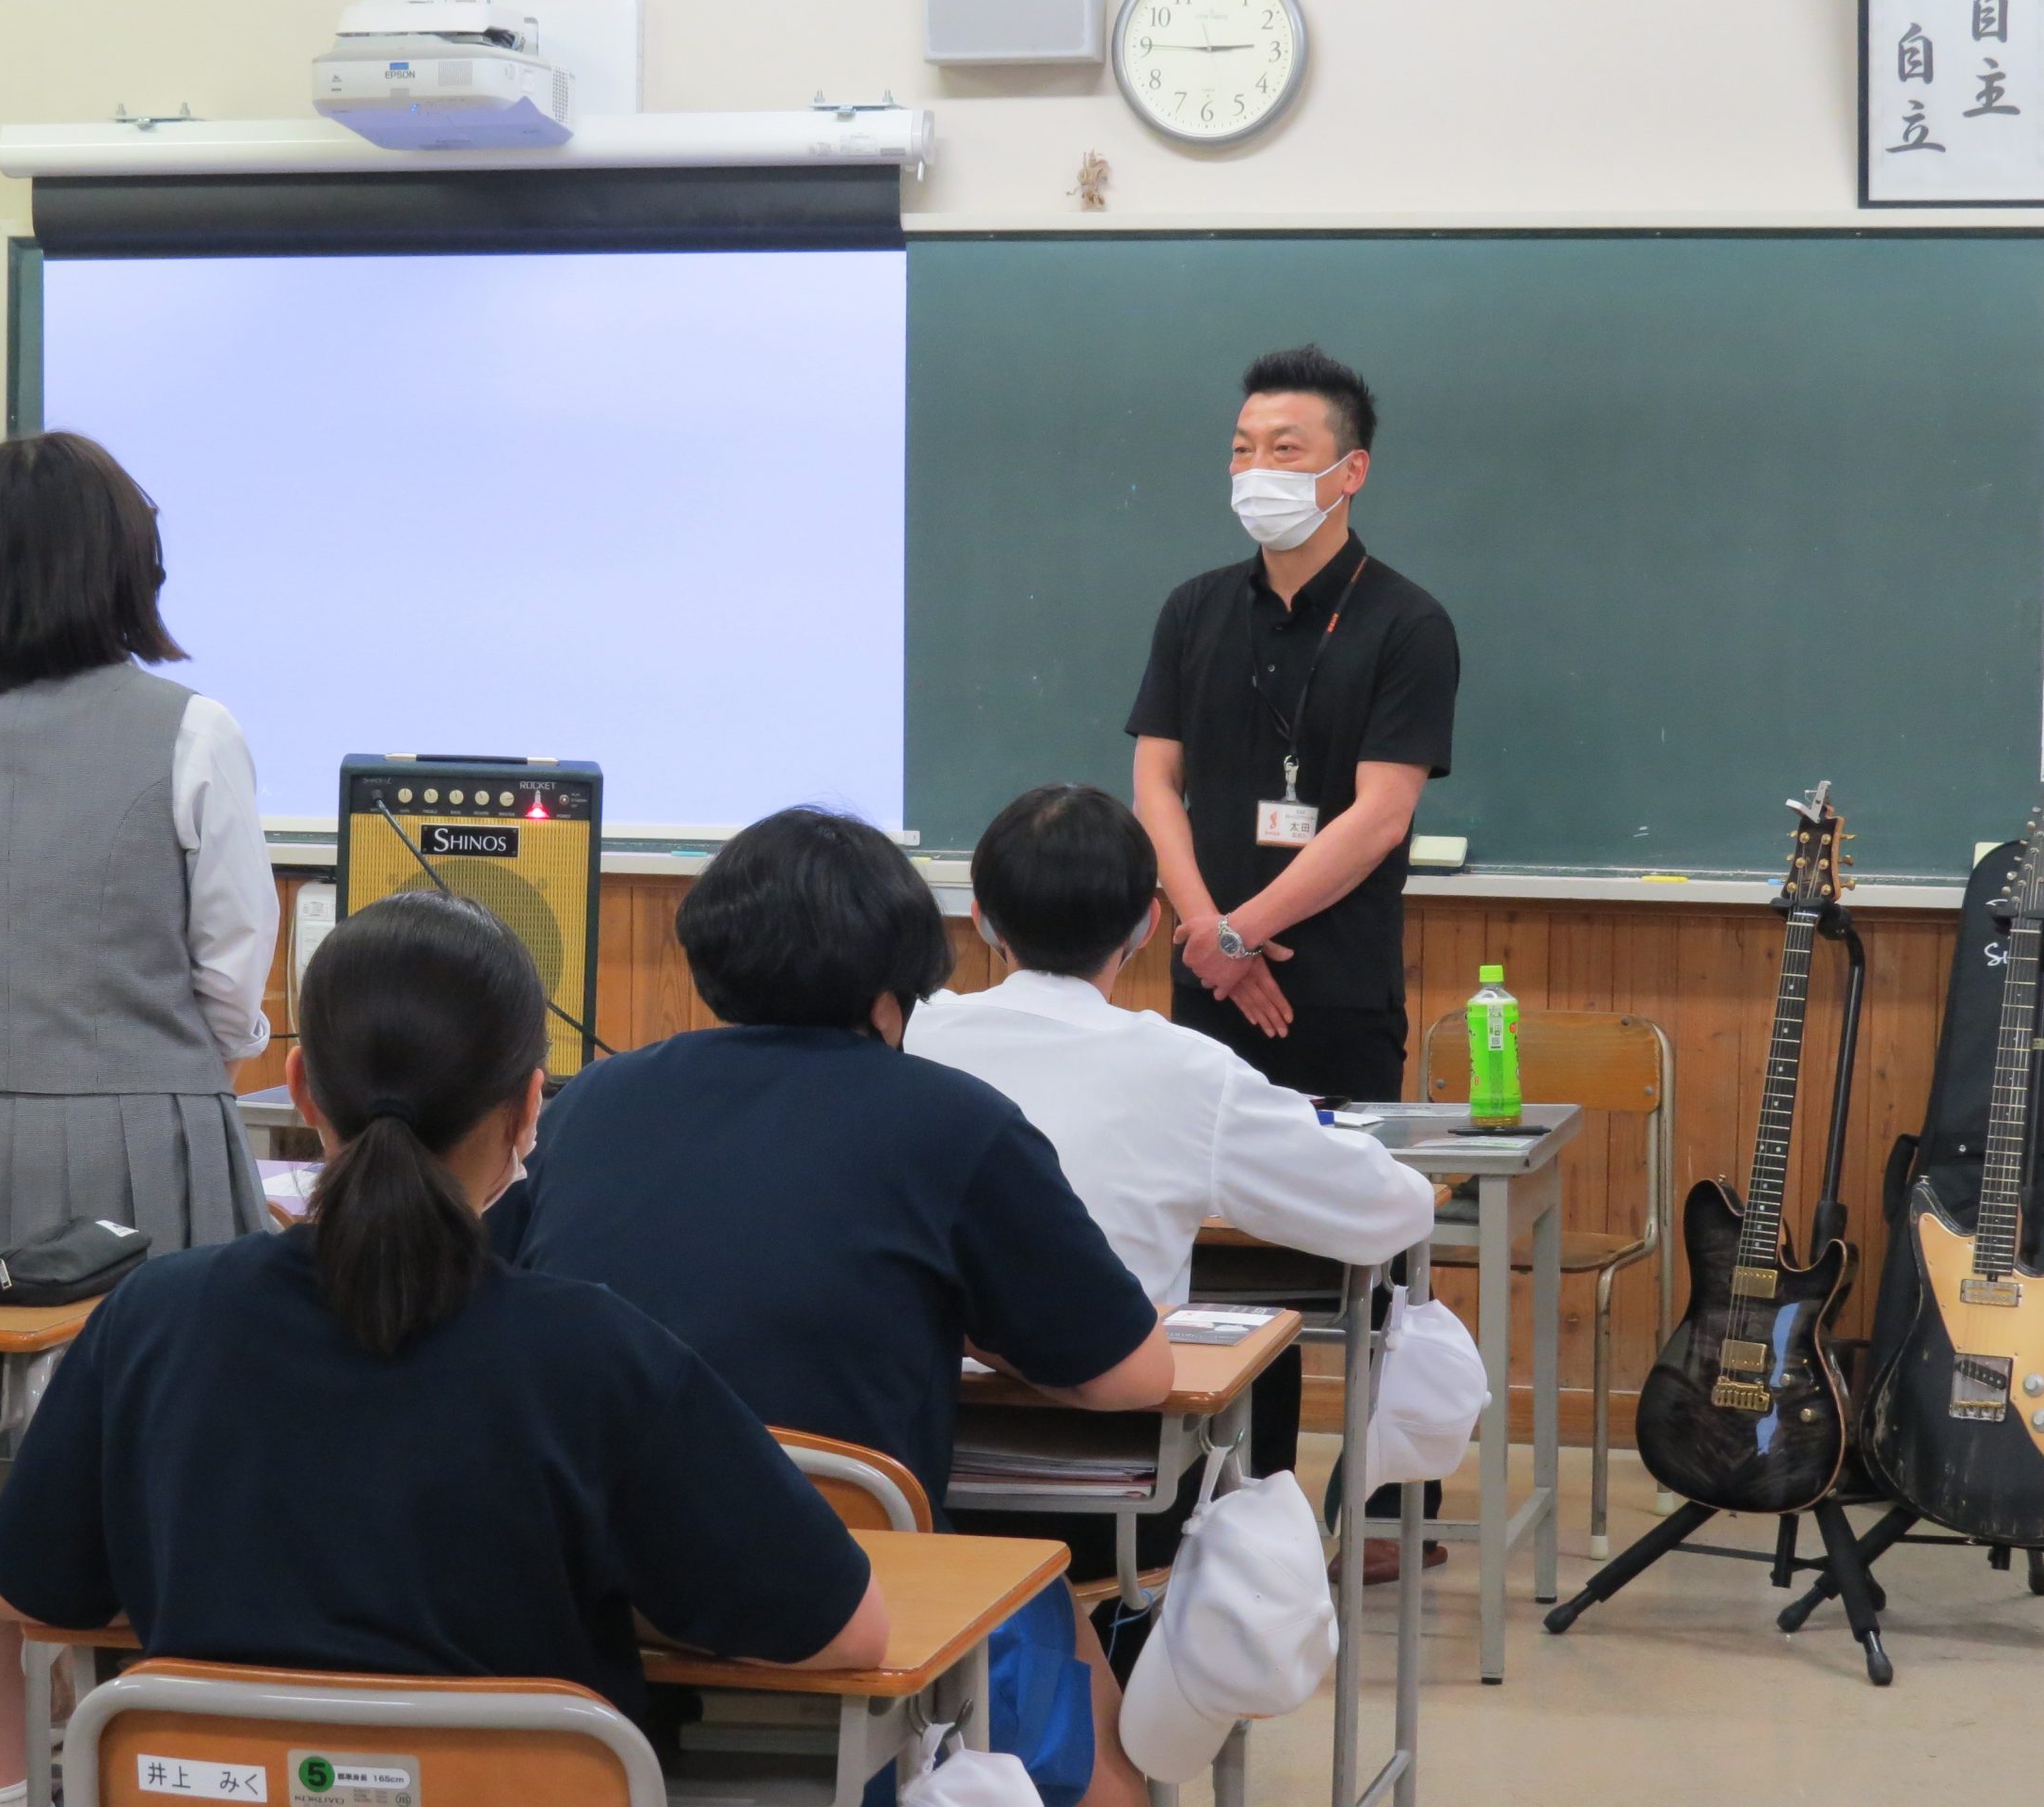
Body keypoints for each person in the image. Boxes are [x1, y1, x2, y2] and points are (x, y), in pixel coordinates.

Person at [0, 889, 886, 1727]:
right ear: (532, 1106)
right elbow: (846, 1633)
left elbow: (20, 1594)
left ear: (299, 1089)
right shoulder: (596, 1351)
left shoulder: (156, 1318)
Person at [489, 807, 1171, 1807]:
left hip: (581, 1596)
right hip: (838, 1598)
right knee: (1054, 1613)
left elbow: (509, 1306)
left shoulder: (588, 1103)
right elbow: (1132, 1374)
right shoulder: (954, 1121)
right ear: (898, 988)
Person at [0, 431, 282, 1804]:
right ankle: (151, 1774)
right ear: (122, 562)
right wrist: (154, 1064)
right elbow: (231, 982)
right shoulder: (192, 729)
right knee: (167, 1489)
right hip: (151, 1144)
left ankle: (2, 1789)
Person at [905, 784, 1437, 1639]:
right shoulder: (1188, 1069)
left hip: (909, 1466)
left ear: (980, 921)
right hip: (1110, 1480)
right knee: (1256, 1363)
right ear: (1148, 925)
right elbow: (1392, 1211)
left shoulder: (910, 1037)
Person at [1126, 345, 1459, 1582]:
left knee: (1363, 1255)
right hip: (1205, 982)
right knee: (1208, 1254)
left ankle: (1380, 1511)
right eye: (1241, 449)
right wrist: (1210, 936)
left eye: (1285, 450)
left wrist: (1240, 932)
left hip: (1337, 987)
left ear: (1349, 469)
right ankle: (1238, 1497)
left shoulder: (1406, 622)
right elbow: (1155, 782)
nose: (1256, 471)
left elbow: (1379, 816)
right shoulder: (1193, 609)